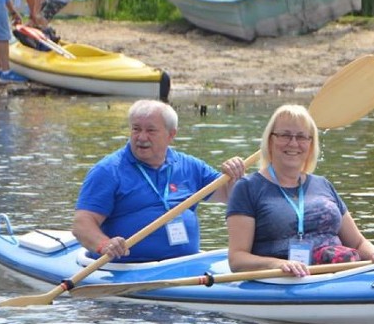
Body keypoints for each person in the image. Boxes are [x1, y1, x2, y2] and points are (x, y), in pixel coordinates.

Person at [226, 104, 374, 277]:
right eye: (285, 135)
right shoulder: (247, 188)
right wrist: (279, 264)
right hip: (283, 280)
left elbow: (358, 243)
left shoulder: (323, 185)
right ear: (270, 140)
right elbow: (237, 260)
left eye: (301, 137)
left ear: (311, 144)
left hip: (339, 275)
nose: (293, 143)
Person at [73, 99, 246, 263]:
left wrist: (234, 175)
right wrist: (104, 244)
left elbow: (230, 196)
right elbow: (82, 224)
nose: (141, 137)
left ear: (171, 134)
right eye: (136, 129)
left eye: (150, 130)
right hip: (127, 268)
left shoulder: (190, 166)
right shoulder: (108, 171)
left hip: (185, 266)